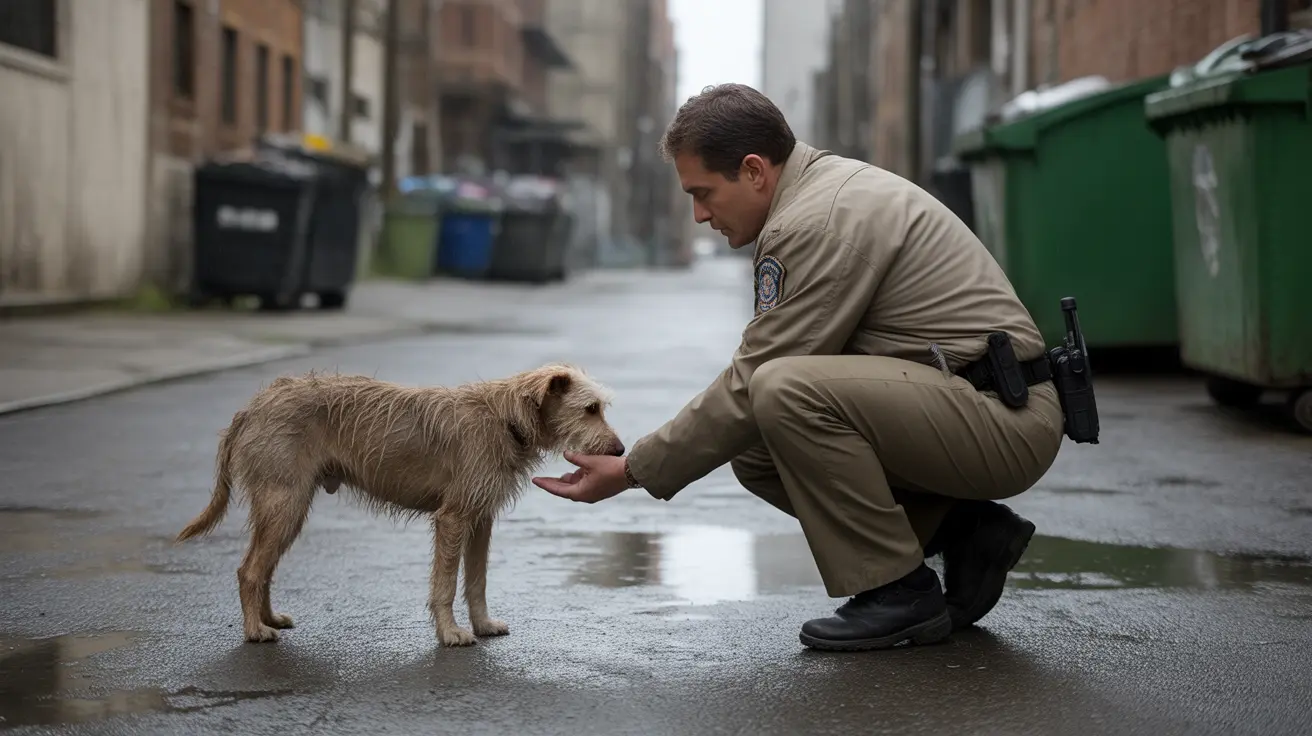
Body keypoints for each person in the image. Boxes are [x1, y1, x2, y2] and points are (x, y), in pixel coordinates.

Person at [532, 83, 1064, 652]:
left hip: (1001, 418)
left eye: (705, 193)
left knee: (782, 389)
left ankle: (897, 592)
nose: (699, 214)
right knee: (757, 446)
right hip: (975, 405)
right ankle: (964, 531)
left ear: (755, 171)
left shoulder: (816, 221)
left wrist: (633, 470)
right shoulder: (819, 195)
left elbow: (758, 375)